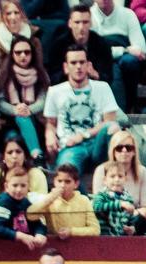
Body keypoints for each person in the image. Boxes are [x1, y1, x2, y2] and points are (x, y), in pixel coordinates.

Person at [44, 44, 122, 176]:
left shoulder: (102, 87)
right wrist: (49, 135)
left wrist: (82, 135)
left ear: (88, 65)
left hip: (98, 144)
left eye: (82, 62)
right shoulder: (55, 91)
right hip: (70, 147)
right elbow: (51, 123)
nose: (78, 66)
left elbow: (110, 122)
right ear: (66, 67)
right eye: (73, 63)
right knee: (66, 174)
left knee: (113, 128)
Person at [0, 34, 48, 163]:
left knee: (22, 118)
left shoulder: (41, 73)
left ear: (32, 54)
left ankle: (37, 158)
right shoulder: (3, 73)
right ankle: (37, 157)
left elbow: (43, 99)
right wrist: (15, 109)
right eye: (18, 52)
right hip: (8, 121)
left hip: (35, 120)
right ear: (12, 54)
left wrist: (28, 109)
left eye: (27, 52)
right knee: (13, 137)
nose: (23, 56)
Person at [0, 0, 43, 103]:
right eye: (8, 13)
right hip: (2, 90)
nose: (13, 17)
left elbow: (40, 69)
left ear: (22, 15)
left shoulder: (34, 40)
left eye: (16, 12)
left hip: (31, 88)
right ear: (2, 16)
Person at [91, 0, 146, 112]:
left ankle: (129, 105)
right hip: (99, 62)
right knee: (113, 68)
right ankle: (121, 110)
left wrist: (116, 52)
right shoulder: (89, 15)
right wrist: (124, 50)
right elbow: (93, 52)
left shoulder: (128, 14)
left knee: (130, 61)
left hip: (123, 61)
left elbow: (142, 51)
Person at [27, 162, 99, 238]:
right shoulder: (49, 200)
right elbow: (30, 215)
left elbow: (95, 230)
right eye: (59, 181)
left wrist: (71, 231)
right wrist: (50, 198)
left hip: (79, 244)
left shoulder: (84, 200)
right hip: (55, 245)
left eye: (67, 182)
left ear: (76, 184)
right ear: (54, 182)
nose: (62, 185)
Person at [47, 5, 114, 86]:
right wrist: (70, 73)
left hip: (93, 87)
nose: (81, 27)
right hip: (66, 88)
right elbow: (51, 77)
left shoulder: (101, 44)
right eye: (77, 22)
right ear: (70, 23)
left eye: (85, 22)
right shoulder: (58, 45)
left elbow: (109, 77)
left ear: (91, 23)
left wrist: (96, 74)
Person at [0, 167, 46, 249]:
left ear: (28, 187)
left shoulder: (26, 202)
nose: (19, 190)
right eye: (15, 185)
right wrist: (19, 236)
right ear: (6, 187)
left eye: (23, 185)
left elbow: (37, 222)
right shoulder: (2, 202)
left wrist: (40, 234)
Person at [92, 129, 146, 206]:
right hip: (108, 215)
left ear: (134, 151)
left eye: (129, 148)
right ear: (113, 151)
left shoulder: (142, 171)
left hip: (136, 215)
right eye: (119, 148)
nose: (124, 151)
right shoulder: (101, 170)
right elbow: (97, 204)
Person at [0, 136, 47, 205]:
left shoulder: (37, 174)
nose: (14, 156)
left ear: (25, 155)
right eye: (10, 152)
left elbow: (43, 204)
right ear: (3, 157)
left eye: (18, 152)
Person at [93, 160, 140, 235]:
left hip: (120, 238)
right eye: (112, 176)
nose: (117, 179)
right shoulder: (102, 195)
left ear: (125, 179)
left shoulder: (128, 198)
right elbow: (96, 207)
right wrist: (119, 204)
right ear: (105, 180)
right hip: (103, 238)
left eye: (120, 176)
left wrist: (131, 227)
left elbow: (130, 217)